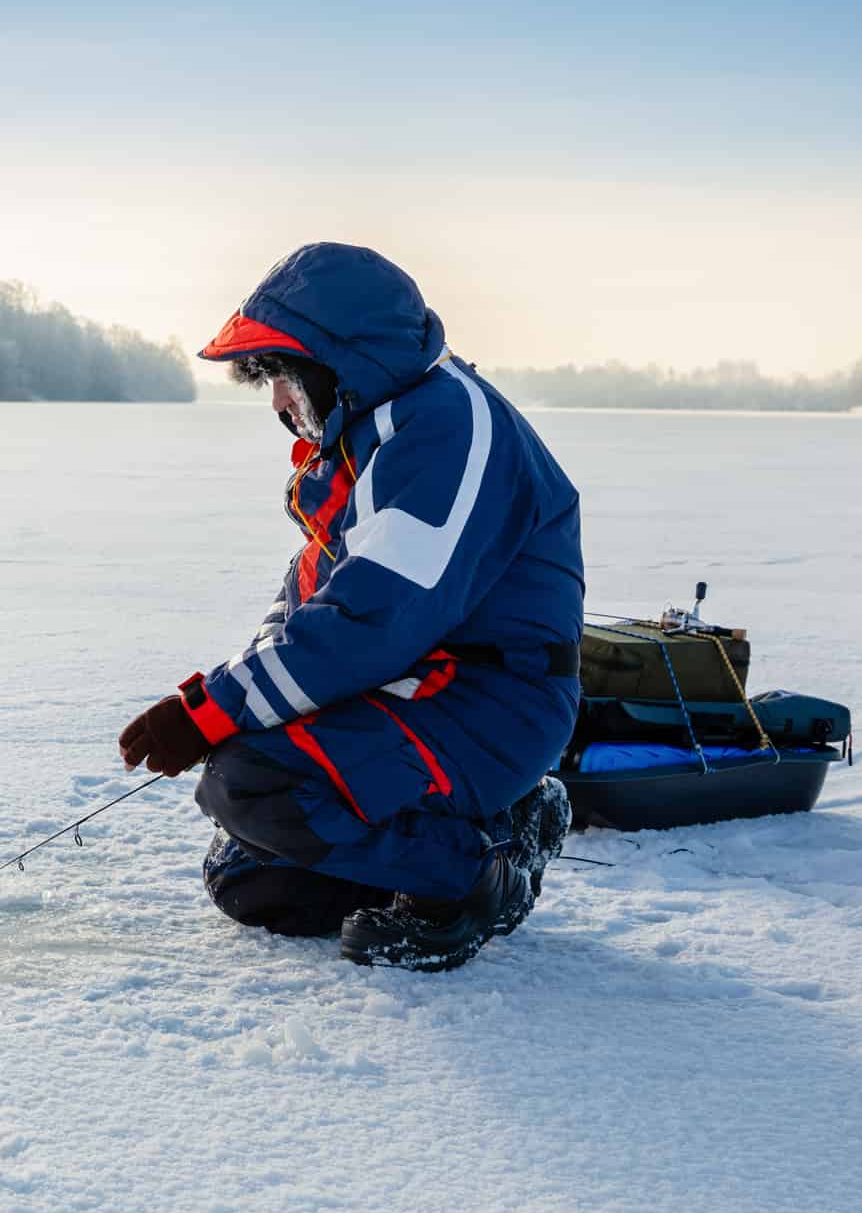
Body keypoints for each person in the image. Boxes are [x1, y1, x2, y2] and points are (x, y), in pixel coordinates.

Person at [118, 243, 583, 971]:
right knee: (256, 886)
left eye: (279, 375)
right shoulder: (370, 434)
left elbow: (371, 620)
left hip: (486, 699)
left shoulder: (445, 432)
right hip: (403, 689)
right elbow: (309, 599)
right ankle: (493, 820)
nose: (275, 401)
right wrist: (240, 696)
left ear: (342, 362)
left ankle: (473, 870)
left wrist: (211, 710)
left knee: (251, 783)